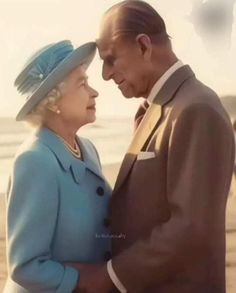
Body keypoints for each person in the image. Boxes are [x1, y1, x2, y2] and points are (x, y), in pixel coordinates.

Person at [91, 1, 235, 292]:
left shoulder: (196, 109)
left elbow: (191, 229)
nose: (105, 74)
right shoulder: (160, 107)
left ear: (144, 46)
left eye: (110, 59)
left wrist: (110, 276)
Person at [3, 40, 113, 292]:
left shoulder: (87, 148)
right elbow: (26, 266)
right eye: (82, 84)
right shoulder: (35, 161)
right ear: (53, 101)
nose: (94, 92)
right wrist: (86, 280)